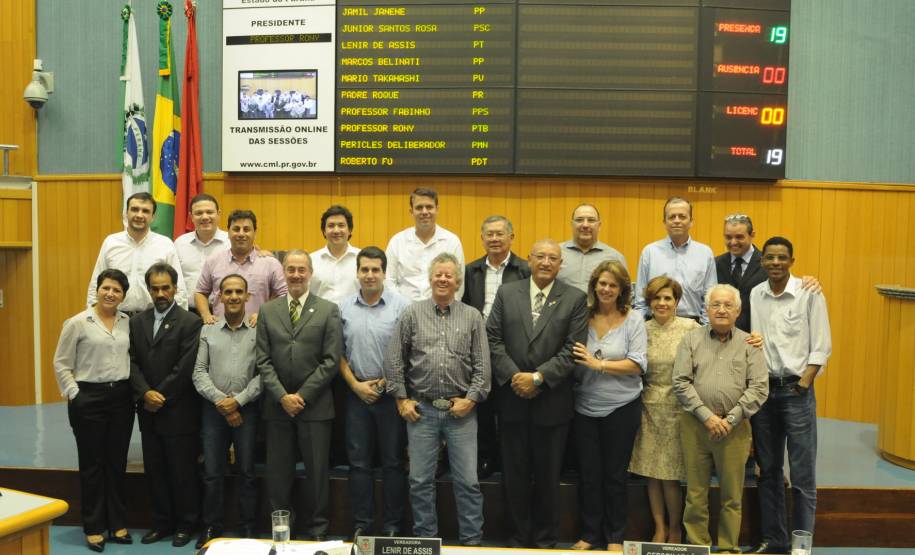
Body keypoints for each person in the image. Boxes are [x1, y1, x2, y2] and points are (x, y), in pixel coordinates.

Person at [486, 239, 589, 548]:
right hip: (512, 399)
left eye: (553, 258)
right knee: (515, 477)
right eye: (540, 256)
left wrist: (539, 378)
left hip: (552, 403)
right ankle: (517, 539)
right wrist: (516, 376)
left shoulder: (575, 298)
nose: (546, 262)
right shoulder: (507, 293)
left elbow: (573, 349)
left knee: (547, 479)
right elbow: (492, 338)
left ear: (560, 265)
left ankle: (545, 542)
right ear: (529, 260)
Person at [384, 253, 490, 546]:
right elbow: (394, 361)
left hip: (462, 412)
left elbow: (482, 367)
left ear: (458, 281)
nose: (443, 279)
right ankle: (425, 542)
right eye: (438, 274)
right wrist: (401, 400)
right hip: (422, 411)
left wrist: (470, 400)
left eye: (449, 275)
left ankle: (471, 543)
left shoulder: (472, 316)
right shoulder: (411, 314)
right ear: (430, 279)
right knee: (419, 482)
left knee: (467, 482)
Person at [747, 237, 832, 555]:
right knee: (768, 471)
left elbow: (822, 345)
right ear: (763, 262)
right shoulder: (756, 294)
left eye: (782, 258)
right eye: (770, 258)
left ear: (792, 261)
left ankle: (801, 543)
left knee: (802, 472)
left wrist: (804, 384)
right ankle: (775, 539)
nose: (775, 263)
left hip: (797, 391)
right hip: (765, 393)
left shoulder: (809, 293)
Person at [673, 284, 768, 553]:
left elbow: (760, 388)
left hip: (734, 430)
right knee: (695, 495)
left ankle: (728, 549)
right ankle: (697, 548)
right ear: (706, 309)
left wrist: (730, 419)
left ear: (738, 311)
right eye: (716, 304)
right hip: (695, 427)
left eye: (728, 305)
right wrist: (707, 417)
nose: (722, 310)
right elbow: (680, 382)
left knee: (731, 497)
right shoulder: (691, 340)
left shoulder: (750, 343)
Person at [256, 250, 341, 541]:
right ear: (283, 272)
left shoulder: (328, 310)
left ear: (310, 273)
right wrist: (283, 396)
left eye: (301, 270)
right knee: (278, 476)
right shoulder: (268, 311)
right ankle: (282, 529)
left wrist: (301, 396)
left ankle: (318, 528)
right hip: (277, 406)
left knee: (317, 474)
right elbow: (262, 360)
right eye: (290, 269)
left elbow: (331, 360)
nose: (296, 275)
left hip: (315, 406)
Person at [55, 269, 135, 552]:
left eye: (116, 290)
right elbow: (61, 363)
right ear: (97, 290)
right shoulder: (78, 323)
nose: (110, 294)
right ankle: (93, 526)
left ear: (123, 296)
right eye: (106, 288)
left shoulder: (127, 322)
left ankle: (117, 523)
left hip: (121, 399)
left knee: (116, 463)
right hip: (88, 398)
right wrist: (75, 394)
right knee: (92, 465)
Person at [570, 260, 647, 552]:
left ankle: (615, 537)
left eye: (613, 285)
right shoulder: (582, 316)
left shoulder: (634, 319)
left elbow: (638, 365)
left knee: (615, 476)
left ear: (622, 290)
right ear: (594, 286)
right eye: (602, 283)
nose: (606, 289)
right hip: (584, 407)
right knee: (589, 475)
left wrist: (597, 364)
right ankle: (590, 534)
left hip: (621, 407)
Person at [128, 263, 203, 547]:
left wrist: (160, 394)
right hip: (148, 411)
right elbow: (131, 362)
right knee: (155, 470)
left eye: (165, 287)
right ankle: (162, 523)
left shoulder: (190, 322)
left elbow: (186, 367)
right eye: (155, 288)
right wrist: (145, 393)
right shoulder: (137, 322)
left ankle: (186, 524)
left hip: (178, 410)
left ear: (175, 288)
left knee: (182, 471)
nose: (160, 293)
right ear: (149, 290)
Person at [339, 247, 410, 539]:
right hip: (355, 394)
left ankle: (393, 525)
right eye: (364, 269)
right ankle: (363, 524)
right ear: (357, 273)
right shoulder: (342, 308)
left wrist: (383, 384)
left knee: (393, 462)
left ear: (384, 273)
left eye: (375, 270)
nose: (369, 275)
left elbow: (409, 352)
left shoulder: (402, 307)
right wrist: (356, 385)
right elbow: (337, 354)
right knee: (359, 464)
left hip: (391, 395)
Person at [192, 274, 262, 548]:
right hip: (213, 412)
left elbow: (263, 374)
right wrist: (223, 402)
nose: (233, 296)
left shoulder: (259, 330)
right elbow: (198, 372)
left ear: (247, 297)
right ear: (219, 297)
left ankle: (247, 528)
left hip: (248, 410)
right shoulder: (207, 330)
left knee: (246, 470)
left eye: (239, 292)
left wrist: (239, 401)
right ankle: (212, 526)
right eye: (228, 292)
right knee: (212, 471)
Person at [628, 276, 699, 544]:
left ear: (677, 301)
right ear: (649, 302)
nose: (662, 303)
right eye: (656, 298)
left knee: (670, 476)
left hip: (678, 407)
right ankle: (659, 527)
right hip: (647, 405)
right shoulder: (641, 328)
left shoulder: (691, 328)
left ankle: (675, 529)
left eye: (667, 298)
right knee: (651, 474)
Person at [461, 215, 530, 478]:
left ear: (511, 237)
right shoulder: (471, 271)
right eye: (489, 234)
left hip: (513, 350)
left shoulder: (525, 270)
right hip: (479, 349)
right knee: (484, 409)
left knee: (511, 410)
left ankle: (510, 462)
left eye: (500, 234)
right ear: (482, 239)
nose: (494, 239)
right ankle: (486, 458)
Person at [714, 214, 821, 333]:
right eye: (728, 237)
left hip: (758, 338)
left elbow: (786, 282)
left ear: (752, 235)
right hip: (723, 337)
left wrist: (809, 281)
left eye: (739, 237)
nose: (733, 242)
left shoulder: (769, 262)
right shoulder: (715, 263)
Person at [87, 192, 188, 313]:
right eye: (135, 209)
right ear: (126, 213)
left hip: (154, 318)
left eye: (145, 211)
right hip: (115, 317)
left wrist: (177, 322)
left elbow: (179, 289)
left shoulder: (165, 244)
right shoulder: (111, 243)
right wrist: (92, 316)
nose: (139, 215)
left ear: (153, 217)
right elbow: (96, 284)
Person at [195, 209, 286, 325]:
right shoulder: (213, 261)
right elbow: (200, 292)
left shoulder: (270, 264)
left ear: (255, 232)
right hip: (220, 331)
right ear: (228, 232)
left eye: (246, 229)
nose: (241, 234)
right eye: (236, 229)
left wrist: (266, 315)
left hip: (259, 330)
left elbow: (284, 295)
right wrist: (206, 315)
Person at [634, 197, 716, 323]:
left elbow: (710, 298)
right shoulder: (650, 252)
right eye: (672, 217)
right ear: (664, 222)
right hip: (656, 324)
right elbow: (640, 300)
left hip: (693, 326)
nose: (677, 221)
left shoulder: (705, 253)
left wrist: (704, 330)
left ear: (691, 222)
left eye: (682, 216)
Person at [386, 187, 464, 301]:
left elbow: (458, 283)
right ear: (411, 212)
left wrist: (448, 313)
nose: (424, 212)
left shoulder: (452, 241)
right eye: (419, 207)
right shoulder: (397, 242)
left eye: (429, 207)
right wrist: (400, 309)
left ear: (437, 209)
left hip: (441, 313)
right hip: (404, 312)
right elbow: (389, 281)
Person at [174, 194, 229, 306]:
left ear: (218, 214)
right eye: (199, 213)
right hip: (189, 313)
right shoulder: (180, 243)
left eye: (209, 212)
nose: (204, 217)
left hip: (223, 312)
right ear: (191, 217)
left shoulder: (230, 242)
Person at [557, 204, 627, 292]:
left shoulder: (615, 257)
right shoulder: (556, 254)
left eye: (591, 220)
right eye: (579, 220)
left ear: (599, 225)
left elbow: (626, 293)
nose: (585, 225)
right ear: (572, 224)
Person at [310, 205, 360, 305]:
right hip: (320, 318)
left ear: (350, 230)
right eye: (331, 226)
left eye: (341, 225)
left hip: (355, 319)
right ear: (324, 231)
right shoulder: (311, 260)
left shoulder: (362, 259)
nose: (336, 231)